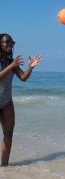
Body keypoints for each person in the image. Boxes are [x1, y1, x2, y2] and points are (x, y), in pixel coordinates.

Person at [0, 33, 41, 166]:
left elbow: (23, 78)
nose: (9, 45)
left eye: (11, 42)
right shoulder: (11, 64)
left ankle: (4, 167)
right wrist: (11, 66)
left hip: (6, 102)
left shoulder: (12, 62)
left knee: (8, 136)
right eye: (6, 42)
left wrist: (30, 67)